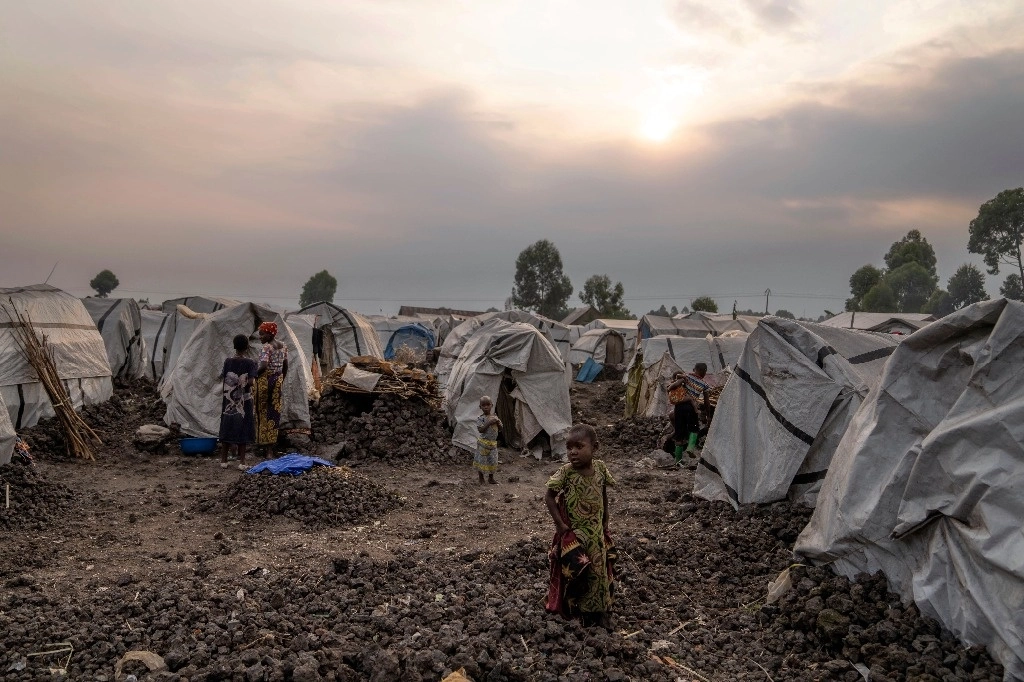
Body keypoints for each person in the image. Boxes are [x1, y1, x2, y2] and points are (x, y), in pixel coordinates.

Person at [544, 424, 616, 627]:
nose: (572, 452)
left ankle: (600, 611)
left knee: (599, 572)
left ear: (595, 448)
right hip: (575, 535)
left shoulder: (600, 468)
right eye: (569, 447)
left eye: (579, 446)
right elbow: (549, 496)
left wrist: (605, 520)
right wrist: (559, 524)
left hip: (596, 533)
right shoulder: (566, 473)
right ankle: (577, 610)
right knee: (577, 572)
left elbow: (603, 494)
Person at [219, 334, 257, 470]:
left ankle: (223, 460)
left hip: (228, 399)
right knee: (244, 426)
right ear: (247, 347)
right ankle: (242, 462)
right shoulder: (250, 363)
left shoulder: (227, 361)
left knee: (227, 424)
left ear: (234, 346)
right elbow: (251, 382)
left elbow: (225, 377)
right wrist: (244, 381)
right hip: (243, 399)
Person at [254, 321, 288, 459]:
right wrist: (281, 379)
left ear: (270, 334)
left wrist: (253, 375)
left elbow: (263, 366)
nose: (260, 337)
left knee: (262, 412)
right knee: (274, 413)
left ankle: (264, 448)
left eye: (262, 334)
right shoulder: (283, 346)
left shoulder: (267, 347)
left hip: (265, 381)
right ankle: (270, 449)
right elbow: (285, 365)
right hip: (277, 381)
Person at [667, 363, 710, 461]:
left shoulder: (686, 376)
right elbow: (707, 401)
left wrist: (680, 377)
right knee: (694, 429)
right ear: (704, 372)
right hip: (691, 408)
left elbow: (676, 377)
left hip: (679, 407)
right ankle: (690, 448)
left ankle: (677, 462)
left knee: (679, 435)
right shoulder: (705, 384)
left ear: (694, 369)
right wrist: (708, 415)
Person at [475, 395, 501, 484]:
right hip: (483, 444)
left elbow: (500, 429)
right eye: (483, 405)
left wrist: (498, 422)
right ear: (480, 407)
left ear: (492, 405)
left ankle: (491, 478)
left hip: (492, 444)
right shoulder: (480, 418)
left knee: (492, 461)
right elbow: (480, 430)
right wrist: (489, 423)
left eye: (488, 404)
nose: (486, 407)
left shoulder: (495, 416)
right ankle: (481, 478)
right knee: (482, 461)